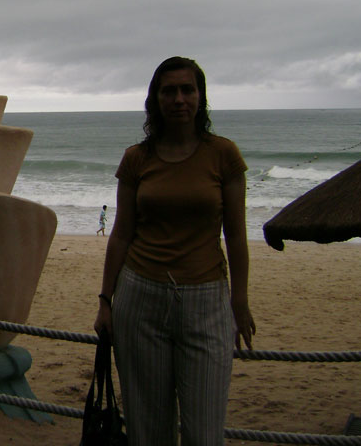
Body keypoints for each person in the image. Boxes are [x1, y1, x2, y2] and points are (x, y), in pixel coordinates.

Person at [93, 56, 255, 446]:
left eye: (187, 89)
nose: (179, 99)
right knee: (148, 430)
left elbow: (236, 234)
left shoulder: (224, 155)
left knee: (204, 432)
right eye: (169, 91)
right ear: (155, 99)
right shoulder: (137, 158)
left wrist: (240, 301)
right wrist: (105, 301)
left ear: (200, 97)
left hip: (206, 300)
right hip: (140, 299)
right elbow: (121, 234)